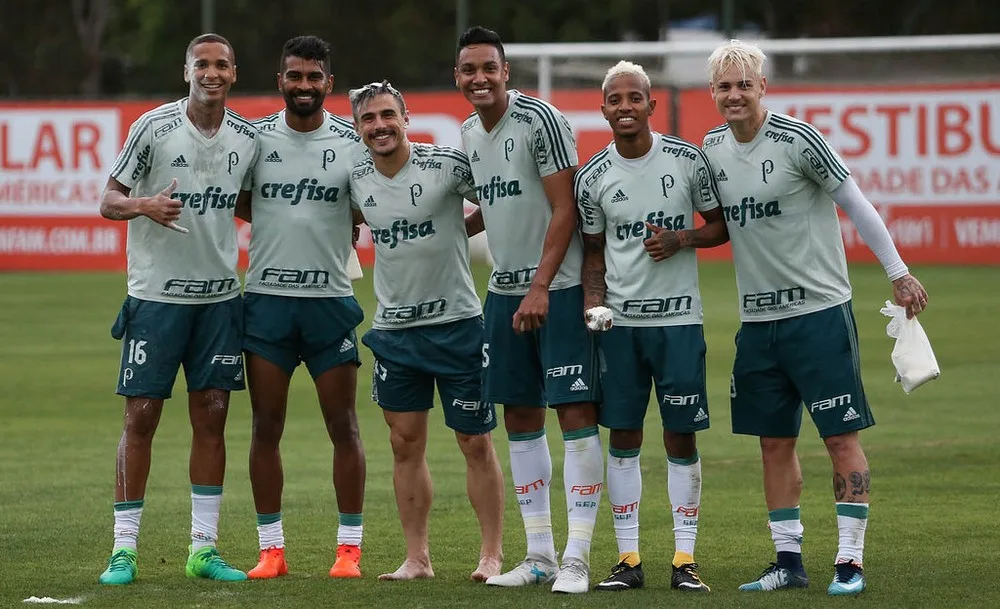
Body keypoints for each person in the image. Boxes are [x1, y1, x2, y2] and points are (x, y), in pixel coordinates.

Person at [702, 39, 930, 596]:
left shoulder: (799, 139)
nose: (734, 95)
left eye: (743, 84)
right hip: (757, 324)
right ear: (713, 93)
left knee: (839, 438)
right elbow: (713, 224)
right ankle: (788, 561)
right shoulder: (709, 149)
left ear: (763, 87)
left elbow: (856, 204)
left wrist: (898, 272)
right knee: (773, 443)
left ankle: (849, 562)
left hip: (819, 316)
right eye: (724, 86)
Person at [96, 33, 258, 585]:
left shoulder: (245, 137)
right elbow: (108, 199)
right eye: (201, 64)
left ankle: (203, 550)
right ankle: (123, 550)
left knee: (212, 421)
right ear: (185, 70)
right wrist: (145, 205)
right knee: (140, 420)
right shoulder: (153, 127)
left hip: (219, 302)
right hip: (156, 300)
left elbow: (249, 202)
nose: (211, 73)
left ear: (233, 73)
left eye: (221, 65)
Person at [456, 26, 604, 594]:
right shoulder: (470, 131)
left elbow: (563, 208)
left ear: (505, 72)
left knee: (572, 415)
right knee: (518, 418)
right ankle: (539, 553)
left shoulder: (539, 120)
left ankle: (577, 557)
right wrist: (438, 230)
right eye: (469, 70)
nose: (479, 78)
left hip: (558, 291)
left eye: (488, 68)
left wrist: (541, 286)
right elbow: (492, 207)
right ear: (458, 77)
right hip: (502, 292)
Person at [576, 60, 728, 593]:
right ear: (603, 109)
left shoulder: (687, 161)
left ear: (650, 105)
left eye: (633, 98)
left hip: (680, 324)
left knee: (680, 436)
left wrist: (681, 239)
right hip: (621, 327)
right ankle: (629, 558)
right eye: (614, 99)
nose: (624, 107)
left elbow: (718, 227)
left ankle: (684, 559)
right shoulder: (593, 177)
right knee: (623, 436)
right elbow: (593, 252)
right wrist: (595, 304)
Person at [347, 80, 505, 583]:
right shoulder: (355, 180)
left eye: (387, 115)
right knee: (403, 444)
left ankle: (491, 555)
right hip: (395, 331)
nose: (379, 126)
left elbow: (503, 201)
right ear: (358, 128)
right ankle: (417, 559)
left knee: (474, 441)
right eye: (369, 119)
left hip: (458, 324)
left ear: (405, 117)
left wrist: (463, 229)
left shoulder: (446, 166)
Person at [236, 35, 367, 580]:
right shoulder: (255, 140)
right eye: (296, 76)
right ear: (280, 81)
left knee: (344, 425)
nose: (305, 86)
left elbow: (367, 206)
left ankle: (349, 550)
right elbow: (241, 200)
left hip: (329, 302)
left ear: (329, 84)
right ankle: (272, 550)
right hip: (267, 302)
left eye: (315, 77)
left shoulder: (353, 141)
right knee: (266, 425)